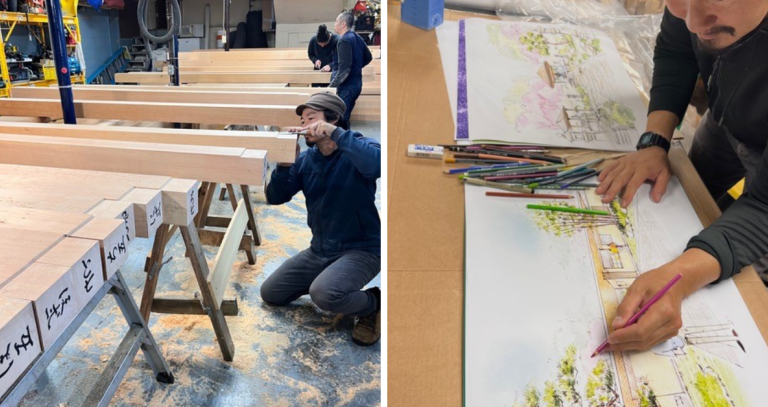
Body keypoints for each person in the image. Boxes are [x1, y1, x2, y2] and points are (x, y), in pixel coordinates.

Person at [595, 0, 768, 353]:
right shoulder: (694, 13)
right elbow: (676, 50)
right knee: (691, 190)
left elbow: (764, 210)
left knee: (748, 275)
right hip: (729, 115)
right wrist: (654, 142)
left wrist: (680, 278)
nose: (691, 21)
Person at [260, 92, 382, 346]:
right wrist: (284, 166)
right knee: (271, 292)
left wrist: (336, 134)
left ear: (333, 118)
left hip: (362, 250)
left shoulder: (360, 147)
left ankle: (372, 304)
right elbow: (275, 197)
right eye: (302, 121)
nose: (304, 126)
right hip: (320, 250)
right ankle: (330, 281)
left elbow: (376, 165)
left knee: (324, 294)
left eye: (311, 119)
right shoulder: (307, 159)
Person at [330, 11, 373, 125]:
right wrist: (357, 67)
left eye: (336, 22)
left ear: (343, 24)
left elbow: (344, 70)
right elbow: (368, 57)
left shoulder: (343, 40)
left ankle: (343, 142)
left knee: (340, 120)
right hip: (357, 85)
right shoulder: (357, 37)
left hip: (347, 87)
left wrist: (331, 88)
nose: (334, 24)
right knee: (345, 118)